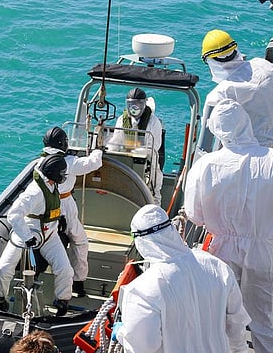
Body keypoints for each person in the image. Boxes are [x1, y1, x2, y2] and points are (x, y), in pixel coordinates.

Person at [184, 98, 273, 353]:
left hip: (221, 250)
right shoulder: (271, 159)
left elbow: (194, 214)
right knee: (265, 319)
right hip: (265, 250)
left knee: (221, 316)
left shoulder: (205, 165)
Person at [113, 204, 250, 353]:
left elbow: (143, 346)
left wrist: (121, 333)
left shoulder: (143, 289)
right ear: (171, 229)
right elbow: (236, 325)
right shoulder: (217, 267)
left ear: (140, 240)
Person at [0, 153, 74, 317]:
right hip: (27, 234)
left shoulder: (52, 186)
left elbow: (52, 207)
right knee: (4, 268)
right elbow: (14, 214)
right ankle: (0, 300)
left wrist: (60, 219)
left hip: (49, 235)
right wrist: (27, 237)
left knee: (65, 270)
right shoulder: (34, 193)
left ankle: (62, 302)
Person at [42, 126, 103, 297]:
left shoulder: (40, 161)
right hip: (64, 204)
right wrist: (97, 150)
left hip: (44, 204)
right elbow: (93, 163)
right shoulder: (68, 162)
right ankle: (78, 281)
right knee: (80, 240)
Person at [201, 28, 273, 148]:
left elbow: (208, 137)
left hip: (253, 154)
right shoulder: (264, 66)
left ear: (210, 62)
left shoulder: (219, 94)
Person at [106, 87, 163, 205]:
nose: (134, 107)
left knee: (154, 189)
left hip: (147, 163)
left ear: (143, 105)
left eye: (137, 104)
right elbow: (116, 140)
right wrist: (107, 151)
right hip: (126, 160)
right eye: (131, 104)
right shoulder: (122, 120)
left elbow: (154, 146)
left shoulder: (154, 122)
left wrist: (137, 151)